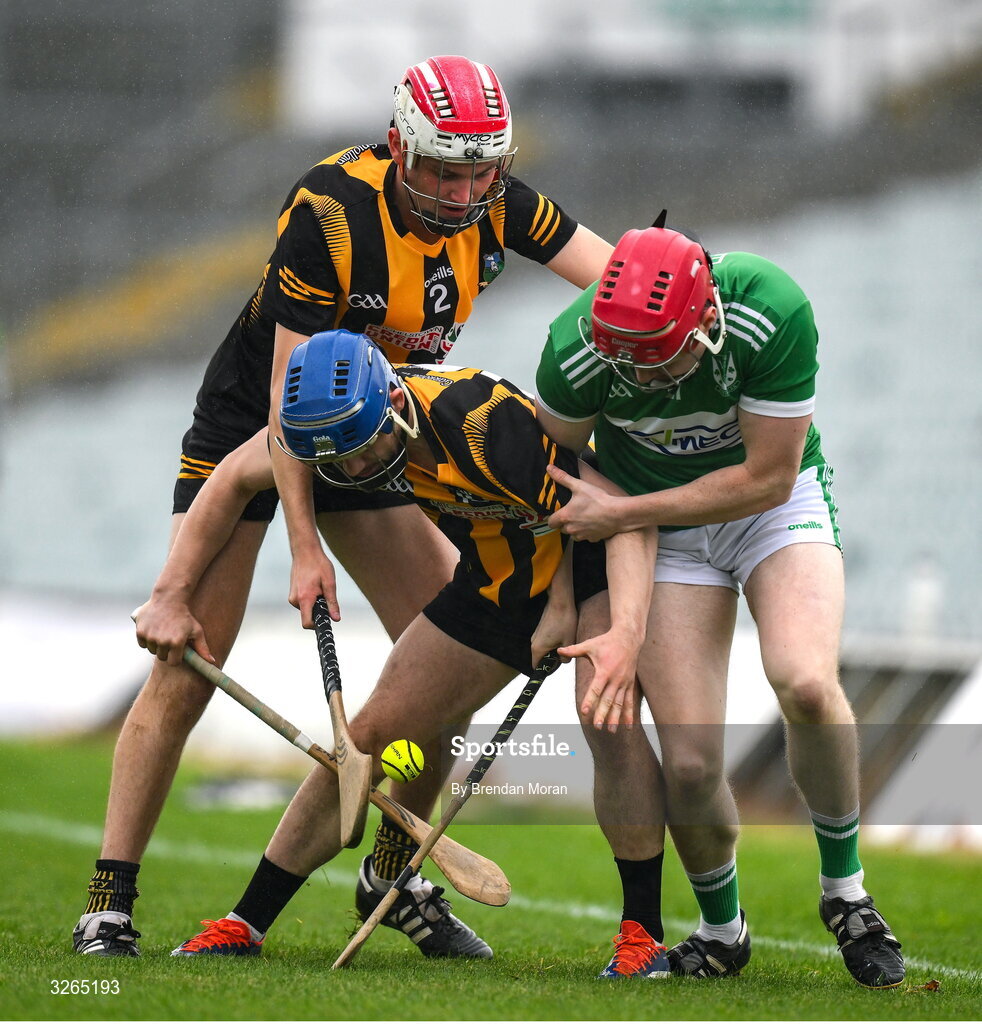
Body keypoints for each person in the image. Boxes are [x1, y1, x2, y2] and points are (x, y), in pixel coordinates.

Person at [72, 55, 613, 957]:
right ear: (401, 146)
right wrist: (304, 552)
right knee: (189, 652)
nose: (462, 189)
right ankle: (109, 899)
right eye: (443, 168)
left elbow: (611, 279)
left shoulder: (497, 198)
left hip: (377, 430)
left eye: (480, 169)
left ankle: (391, 874)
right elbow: (289, 415)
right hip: (264, 426)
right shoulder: (331, 211)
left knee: (450, 666)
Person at [134, 329, 655, 959]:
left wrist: (571, 610)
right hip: (497, 578)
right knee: (365, 739)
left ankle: (642, 936)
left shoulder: (481, 425)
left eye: (362, 448)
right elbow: (227, 481)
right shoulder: (332, 430)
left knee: (605, 717)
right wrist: (169, 594)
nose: (354, 470)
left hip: (599, 554)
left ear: (397, 408)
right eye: (337, 461)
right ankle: (244, 924)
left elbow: (610, 509)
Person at [534, 222, 906, 988]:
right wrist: (573, 596)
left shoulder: (770, 308)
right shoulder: (574, 350)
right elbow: (562, 480)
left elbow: (770, 477)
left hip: (770, 506)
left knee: (805, 681)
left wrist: (632, 510)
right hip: (657, 532)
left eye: (654, 355)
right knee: (695, 759)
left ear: (705, 319)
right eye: (621, 355)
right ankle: (720, 930)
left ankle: (848, 894)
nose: (634, 373)